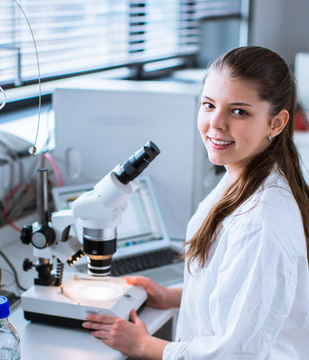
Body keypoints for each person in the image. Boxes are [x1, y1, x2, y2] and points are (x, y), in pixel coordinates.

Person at [82, 46, 309, 359]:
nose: (216, 123)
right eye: (209, 105)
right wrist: (173, 296)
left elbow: (233, 354)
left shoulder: (260, 221)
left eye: (239, 111)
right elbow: (238, 293)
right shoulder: (241, 176)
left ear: (277, 123)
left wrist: (142, 345)